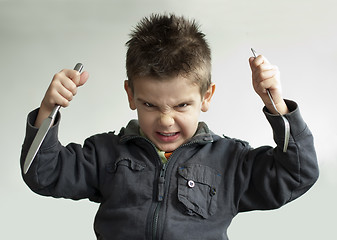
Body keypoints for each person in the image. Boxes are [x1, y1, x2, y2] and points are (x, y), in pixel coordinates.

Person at [20, 13, 319, 240]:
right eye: (150, 105)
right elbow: (42, 173)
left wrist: (277, 107)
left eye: (181, 106)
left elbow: (297, 175)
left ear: (206, 97)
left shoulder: (231, 161)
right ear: (130, 95)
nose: (165, 120)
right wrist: (49, 109)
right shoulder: (105, 154)